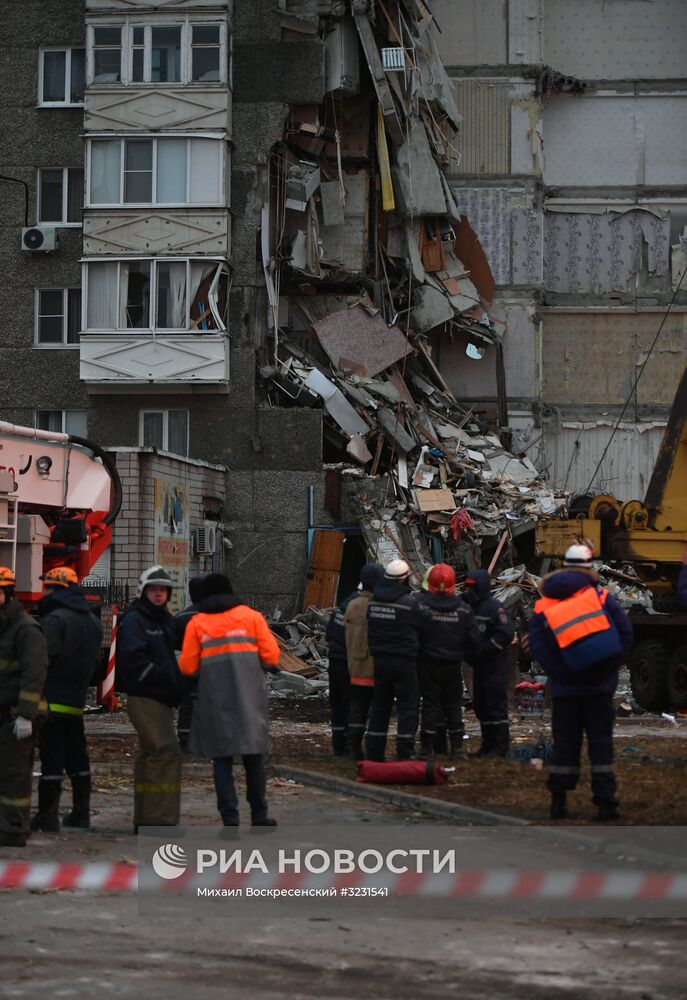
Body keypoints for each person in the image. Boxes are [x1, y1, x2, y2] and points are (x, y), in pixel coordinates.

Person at [528, 543, 633, 821]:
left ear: (563, 566)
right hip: (599, 689)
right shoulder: (601, 598)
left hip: (565, 690)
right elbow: (624, 635)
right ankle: (606, 803)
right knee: (601, 744)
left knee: (564, 745)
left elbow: (538, 646)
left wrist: (561, 672)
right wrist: (608, 670)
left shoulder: (544, 602)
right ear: (589, 569)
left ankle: (559, 802)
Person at [179, 573, 281, 827]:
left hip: (214, 700)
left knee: (221, 760)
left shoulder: (198, 624)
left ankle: (230, 819)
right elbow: (271, 659)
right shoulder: (252, 618)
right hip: (250, 698)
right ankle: (259, 814)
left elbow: (188, 668)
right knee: (253, 758)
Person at [31, 567, 102, 832]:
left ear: (54, 589)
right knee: (77, 759)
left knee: (52, 758)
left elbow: (41, 661)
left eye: (47, 587)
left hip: (52, 700)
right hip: (75, 701)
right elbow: (95, 662)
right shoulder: (91, 621)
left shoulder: (54, 620)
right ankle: (81, 813)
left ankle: (47, 816)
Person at [116, 565, 183, 831]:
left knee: (150, 754)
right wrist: (163, 677)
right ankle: (158, 820)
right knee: (165, 751)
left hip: (160, 697)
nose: (158, 594)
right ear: (143, 591)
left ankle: (145, 818)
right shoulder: (136, 619)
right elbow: (132, 660)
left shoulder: (162, 620)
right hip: (146, 696)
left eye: (163, 590)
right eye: (153, 590)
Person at [0, 567, 48, 847]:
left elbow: (34, 675)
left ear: (6, 594)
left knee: (14, 776)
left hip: (15, 717)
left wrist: (25, 716)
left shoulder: (26, 630)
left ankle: (14, 829)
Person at [365, 559, 432, 761]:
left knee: (380, 707)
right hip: (404, 662)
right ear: (404, 579)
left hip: (380, 661)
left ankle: (374, 752)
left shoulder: (374, 602)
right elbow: (426, 620)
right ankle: (405, 751)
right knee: (408, 707)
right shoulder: (410, 604)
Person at [415, 563, 478, 759]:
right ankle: (457, 749)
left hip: (428, 665)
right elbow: (473, 639)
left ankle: (426, 749)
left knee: (430, 705)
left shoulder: (421, 608)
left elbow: (413, 635)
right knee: (453, 707)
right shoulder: (463, 610)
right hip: (452, 665)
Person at [463, 569, 514, 757]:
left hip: (495, 665)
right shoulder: (470, 608)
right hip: (479, 665)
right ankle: (487, 746)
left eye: (472, 587)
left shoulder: (495, 608)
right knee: (482, 706)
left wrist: (485, 650)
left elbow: (505, 634)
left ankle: (500, 747)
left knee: (495, 706)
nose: (469, 591)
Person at [342, 563, 385, 759]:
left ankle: (354, 748)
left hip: (355, 667)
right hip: (375, 668)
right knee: (378, 711)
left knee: (357, 708)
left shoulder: (351, 606)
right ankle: (375, 751)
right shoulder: (379, 606)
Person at [173, 573, 208, 752]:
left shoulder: (181, 617)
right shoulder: (219, 616)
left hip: (189, 669)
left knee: (188, 704)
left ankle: (186, 738)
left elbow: (172, 644)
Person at [325, 582, 359, 756]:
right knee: (352, 704)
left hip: (334, 661)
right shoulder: (360, 610)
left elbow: (328, 634)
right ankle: (350, 746)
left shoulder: (341, 607)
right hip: (349, 663)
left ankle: (338, 745)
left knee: (337, 705)